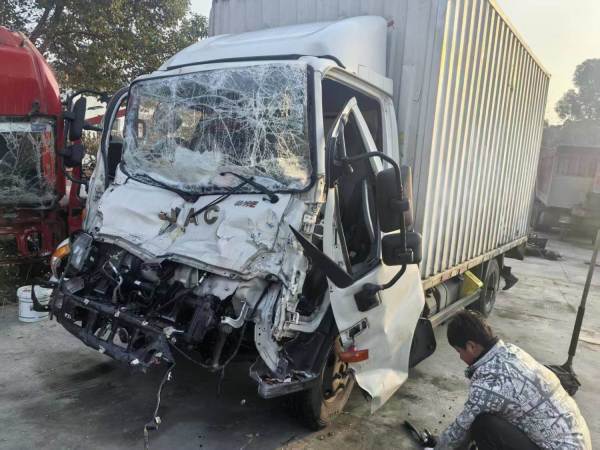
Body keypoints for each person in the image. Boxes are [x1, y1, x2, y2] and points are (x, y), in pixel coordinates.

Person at [433, 310, 591, 450]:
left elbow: (461, 428)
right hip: (576, 442)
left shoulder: (490, 381)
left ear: (471, 347)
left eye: (459, 352)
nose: (460, 357)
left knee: (483, 425)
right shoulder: (512, 352)